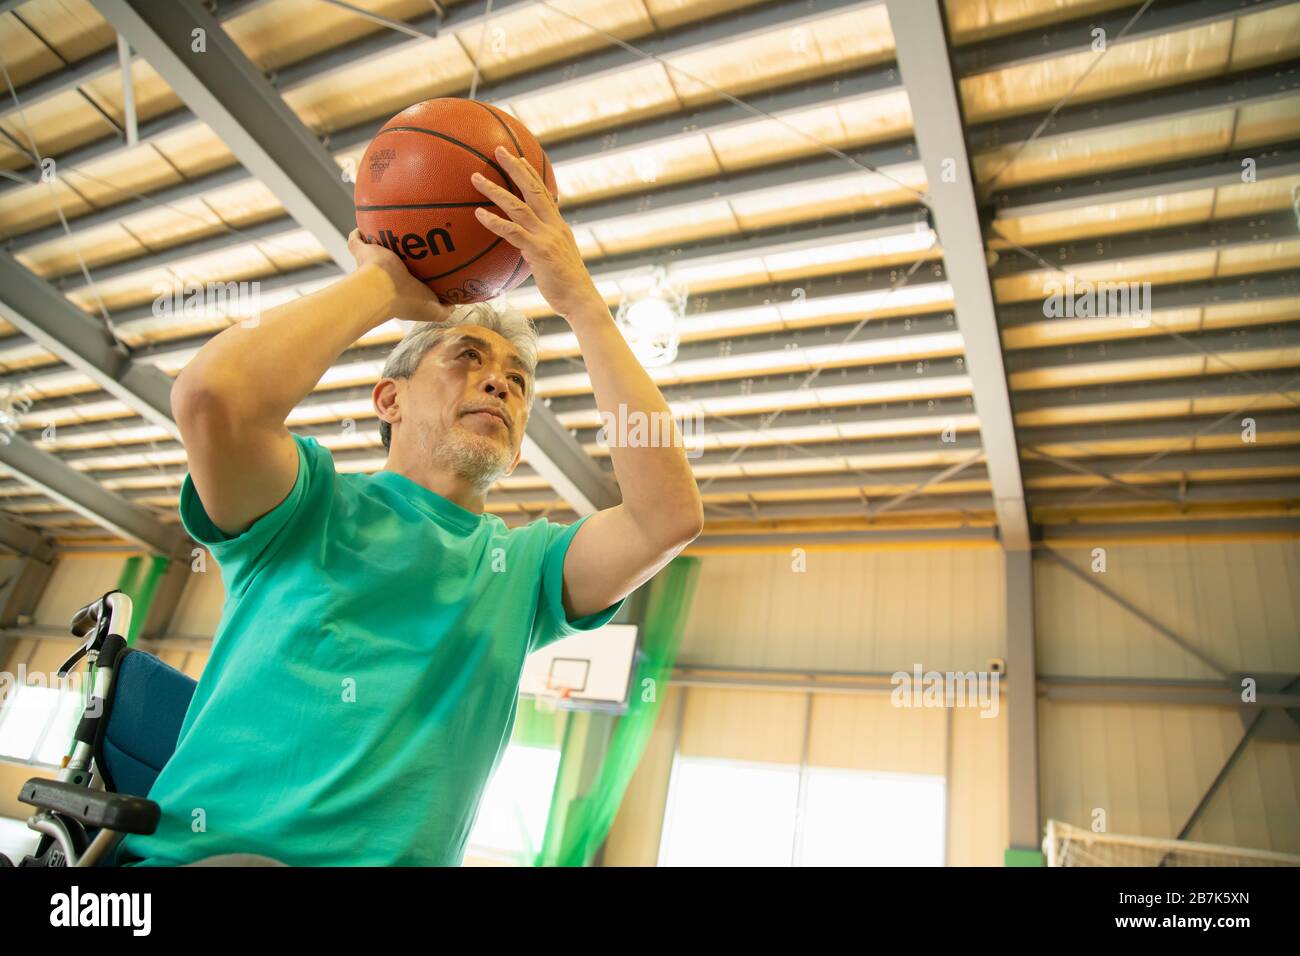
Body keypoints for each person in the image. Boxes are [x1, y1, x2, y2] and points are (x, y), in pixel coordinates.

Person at [116, 145, 703, 866]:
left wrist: (580, 299)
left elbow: (666, 518)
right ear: (388, 398)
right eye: (467, 358)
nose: (499, 384)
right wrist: (382, 284)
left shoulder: (525, 567)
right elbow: (214, 398)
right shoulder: (305, 504)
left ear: (517, 448)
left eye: (517, 381)